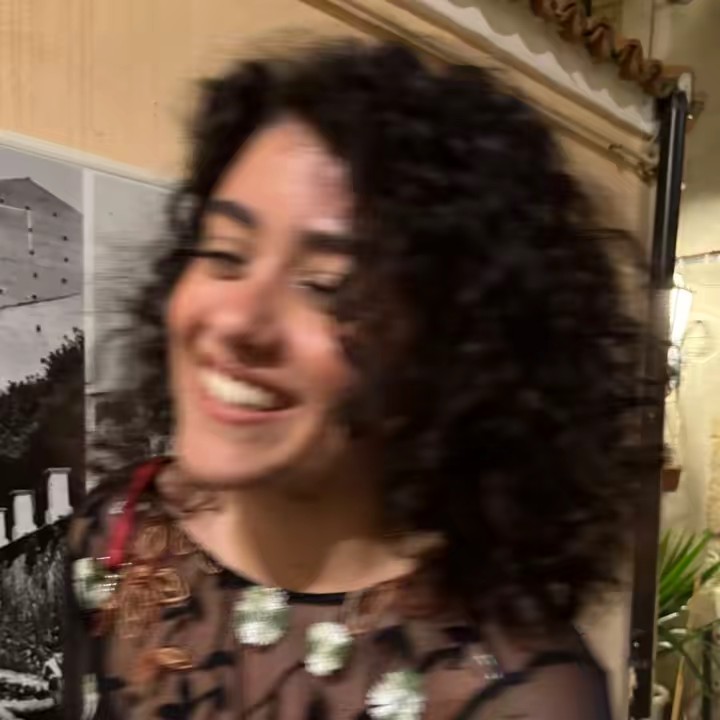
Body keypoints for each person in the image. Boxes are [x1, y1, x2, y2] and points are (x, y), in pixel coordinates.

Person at [64, 40, 654, 720]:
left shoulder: (518, 694)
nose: (237, 319)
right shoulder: (119, 536)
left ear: (451, 353)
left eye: (329, 287)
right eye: (224, 253)